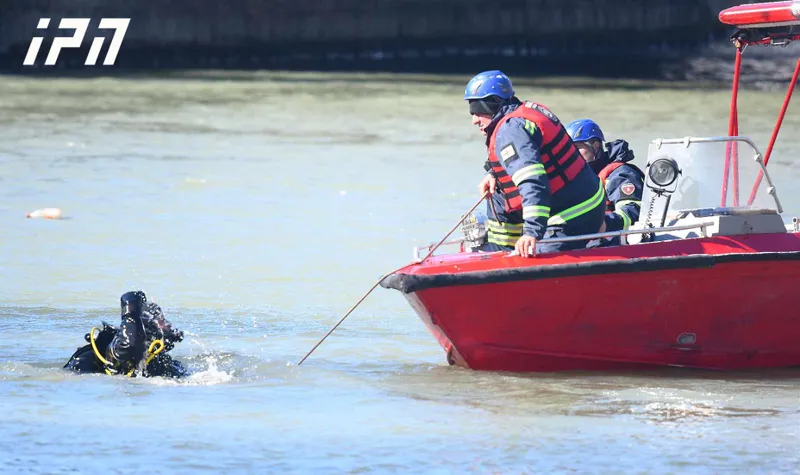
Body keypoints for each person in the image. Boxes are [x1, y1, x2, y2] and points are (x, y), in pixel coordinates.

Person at [465, 70, 606, 257]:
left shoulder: (511, 130)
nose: (474, 120)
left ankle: (516, 269)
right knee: (498, 197)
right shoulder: (519, 116)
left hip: (574, 211)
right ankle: (501, 256)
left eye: (477, 110)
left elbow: (533, 181)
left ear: (493, 104)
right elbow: (529, 152)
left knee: (541, 254)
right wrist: (492, 174)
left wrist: (532, 232)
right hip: (574, 198)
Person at [64, 291, 187, 378]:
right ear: (148, 325)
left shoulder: (162, 361)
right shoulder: (118, 348)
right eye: (162, 320)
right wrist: (130, 303)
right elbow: (130, 344)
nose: (169, 325)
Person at [566, 119, 645, 245]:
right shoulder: (581, 177)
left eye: (577, 148)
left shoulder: (620, 174)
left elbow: (633, 210)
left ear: (596, 145)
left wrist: (605, 224)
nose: (572, 155)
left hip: (614, 245)